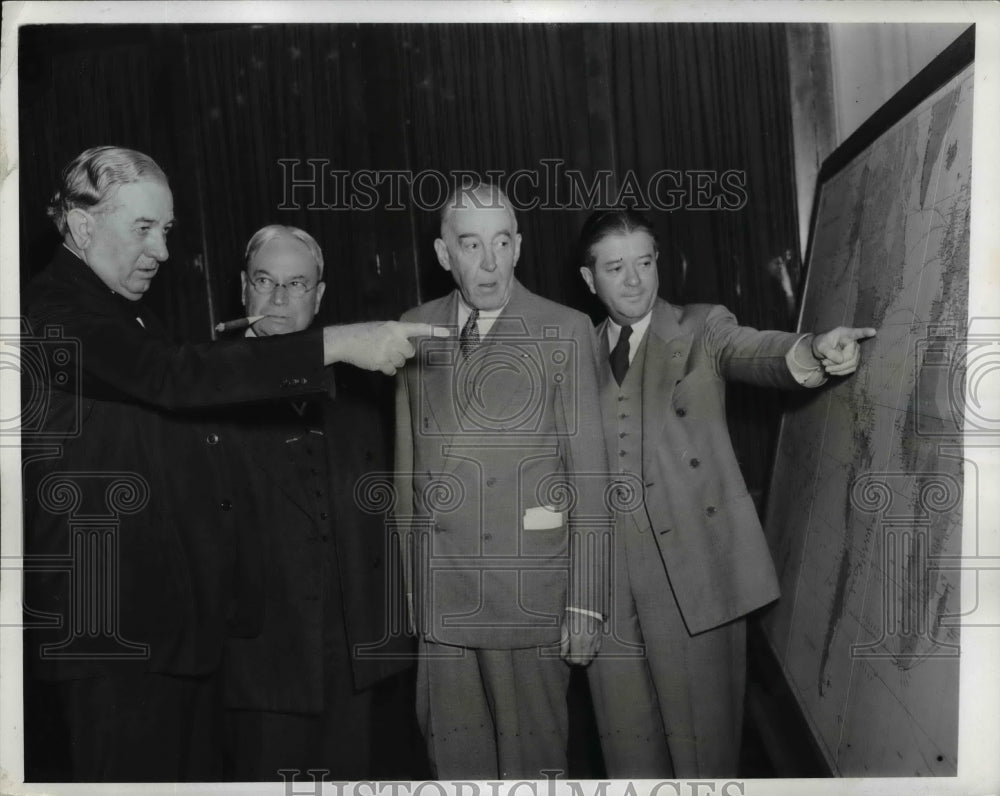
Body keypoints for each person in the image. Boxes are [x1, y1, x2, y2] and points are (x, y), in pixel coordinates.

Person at [20, 146, 442, 781]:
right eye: (144, 228)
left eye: (165, 230)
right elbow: (171, 376)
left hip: (164, 633)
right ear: (83, 227)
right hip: (110, 633)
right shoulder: (58, 310)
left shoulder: (125, 310)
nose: (162, 250)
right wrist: (341, 341)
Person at [577, 209, 876, 778]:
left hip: (696, 579)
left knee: (702, 764)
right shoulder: (573, 353)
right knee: (627, 763)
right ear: (590, 279)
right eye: (616, 267)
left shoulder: (700, 326)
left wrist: (812, 350)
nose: (635, 279)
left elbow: (754, 351)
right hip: (607, 590)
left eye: (645, 262)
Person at [392, 182, 611, 779]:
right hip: (443, 597)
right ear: (445, 255)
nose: (488, 262)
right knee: (453, 763)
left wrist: (587, 602)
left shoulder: (565, 329)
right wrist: (411, 590)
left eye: (501, 242)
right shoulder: (412, 328)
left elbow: (589, 476)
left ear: (518, 247)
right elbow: (407, 469)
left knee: (531, 766)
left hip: (529, 591)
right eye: (470, 244)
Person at [220, 224, 416, 780]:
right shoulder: (203, 385)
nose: (280, 299)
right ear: (242, 288)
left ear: (320, 296)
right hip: (257, 657)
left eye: (297, 283)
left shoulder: (362, 387)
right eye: (266, 281)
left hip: (351, 652)